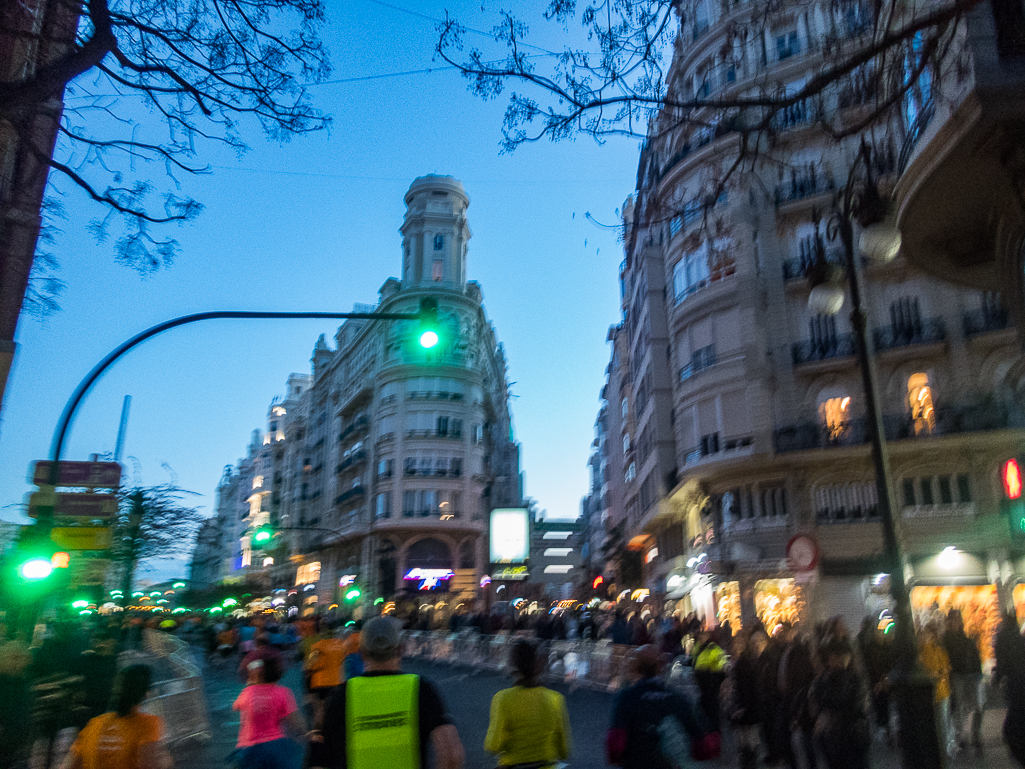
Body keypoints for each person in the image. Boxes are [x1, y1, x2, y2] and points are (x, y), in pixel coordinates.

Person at [310, 615, 464, 769]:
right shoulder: (421, 688)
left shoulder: (342, 695)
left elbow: (322, 761)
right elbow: (452, 755)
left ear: (361, 653)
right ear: (401, 649)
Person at [606, 645, 717, 769]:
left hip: (635, 763)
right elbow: (702, 741)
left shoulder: (626, 697)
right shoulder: (677, 698)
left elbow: (615, 743)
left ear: (636, 667)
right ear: (660, 667)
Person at [61, 664, 172, 769]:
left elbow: (71, 765)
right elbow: (148, 765)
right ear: (147, 693)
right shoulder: (148, 724)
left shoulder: (94, 724)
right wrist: (165, 761)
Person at [483, 639, 571, 767]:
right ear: (538, 666)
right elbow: (564, 751)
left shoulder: (502, 698)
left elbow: (493, 745)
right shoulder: (556, 699)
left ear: (513, 665)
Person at [232, 655, 306, 769]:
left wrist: (251, 683)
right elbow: (295, 720)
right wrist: (305, 734)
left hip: (249, 749)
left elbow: (236, 707)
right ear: (279, 674)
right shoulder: (284, 692)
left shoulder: (247, 692)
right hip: (275, 747)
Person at [808, 635, 871, 769]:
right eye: (832, 657)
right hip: (833, 739)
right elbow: (816, 700)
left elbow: (853, 704)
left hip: (852, 736)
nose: (835, 661)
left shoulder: (854, 678)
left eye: (839, 656)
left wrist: (829, 708)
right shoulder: (823, 679)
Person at [942, 609, 983, 750]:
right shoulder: (945, 640)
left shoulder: (966, 638)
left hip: (970, 674)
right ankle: (960, 735)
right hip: (956, 675)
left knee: (978, 705)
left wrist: (978, 672)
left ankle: (975, 733)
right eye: (952, 619)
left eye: (957, 619)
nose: (954, 622)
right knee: (959, 705)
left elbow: (975, 656)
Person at [919, 620, 955, 756]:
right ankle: (944, 747)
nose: (925, 637)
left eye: (927, 634)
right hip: (936, 691)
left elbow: (946, 667)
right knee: (940, 721)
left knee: (943, 721)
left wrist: (939, 672)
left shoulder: (935, 650)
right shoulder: (923, 653)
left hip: (940, 690)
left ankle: (945, 746)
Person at [994, 611, 1025, 766]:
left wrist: (998, 677)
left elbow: (1002, 661)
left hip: (1015, 683)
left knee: (1015, 717)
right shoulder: (1019, 639)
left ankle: (1018, 752)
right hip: (1019, 683)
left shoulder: (1003, 638)